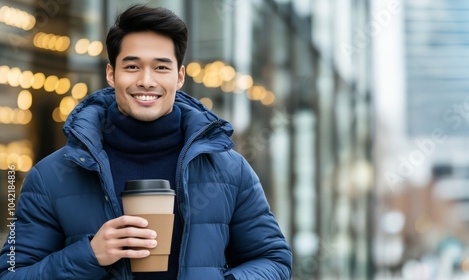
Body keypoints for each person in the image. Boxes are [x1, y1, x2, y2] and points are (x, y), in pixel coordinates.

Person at [0, 4, 292, 280]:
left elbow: (273, 260)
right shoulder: (51, 175)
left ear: (179, 77)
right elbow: (11, 272)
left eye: (161, 68)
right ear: (111, 74)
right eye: (132, 67)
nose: (147, 81)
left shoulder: (229, 170)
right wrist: (89, 256)